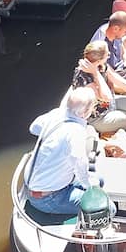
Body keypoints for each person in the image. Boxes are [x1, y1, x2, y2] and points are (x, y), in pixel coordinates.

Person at [24, 86, 97, 216]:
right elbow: (80, 165)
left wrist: (55, 142)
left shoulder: (56, 114)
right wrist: (92, 190)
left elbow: (34, 128)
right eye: (92, 107)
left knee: (99, 180)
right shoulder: (76, 132)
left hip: (38, 186)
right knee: (109, 208)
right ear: (84, 113)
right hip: (48, 198)